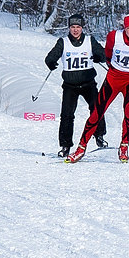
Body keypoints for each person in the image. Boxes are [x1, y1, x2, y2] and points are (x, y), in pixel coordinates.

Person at [67, 13, 129, 164]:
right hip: (113, 79)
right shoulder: (114, 36)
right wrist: (110, 64)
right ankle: (81, 148)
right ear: (124, 28)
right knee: (97, 113)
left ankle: (124, 146)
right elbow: (108, 51)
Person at [44, 13, 106, 158]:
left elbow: (103, 54)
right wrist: (51, 63)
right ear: (69, 28)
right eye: (73, 27)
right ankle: (65, 145)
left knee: (96, 109)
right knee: (67, 115)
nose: (75, 30)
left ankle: (99, 136)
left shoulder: (90, 41)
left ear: (82, 28)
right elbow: (50, 57)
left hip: (88, 83)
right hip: (70, 85)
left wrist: (99, 57)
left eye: (78, 27)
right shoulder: (63, 42)